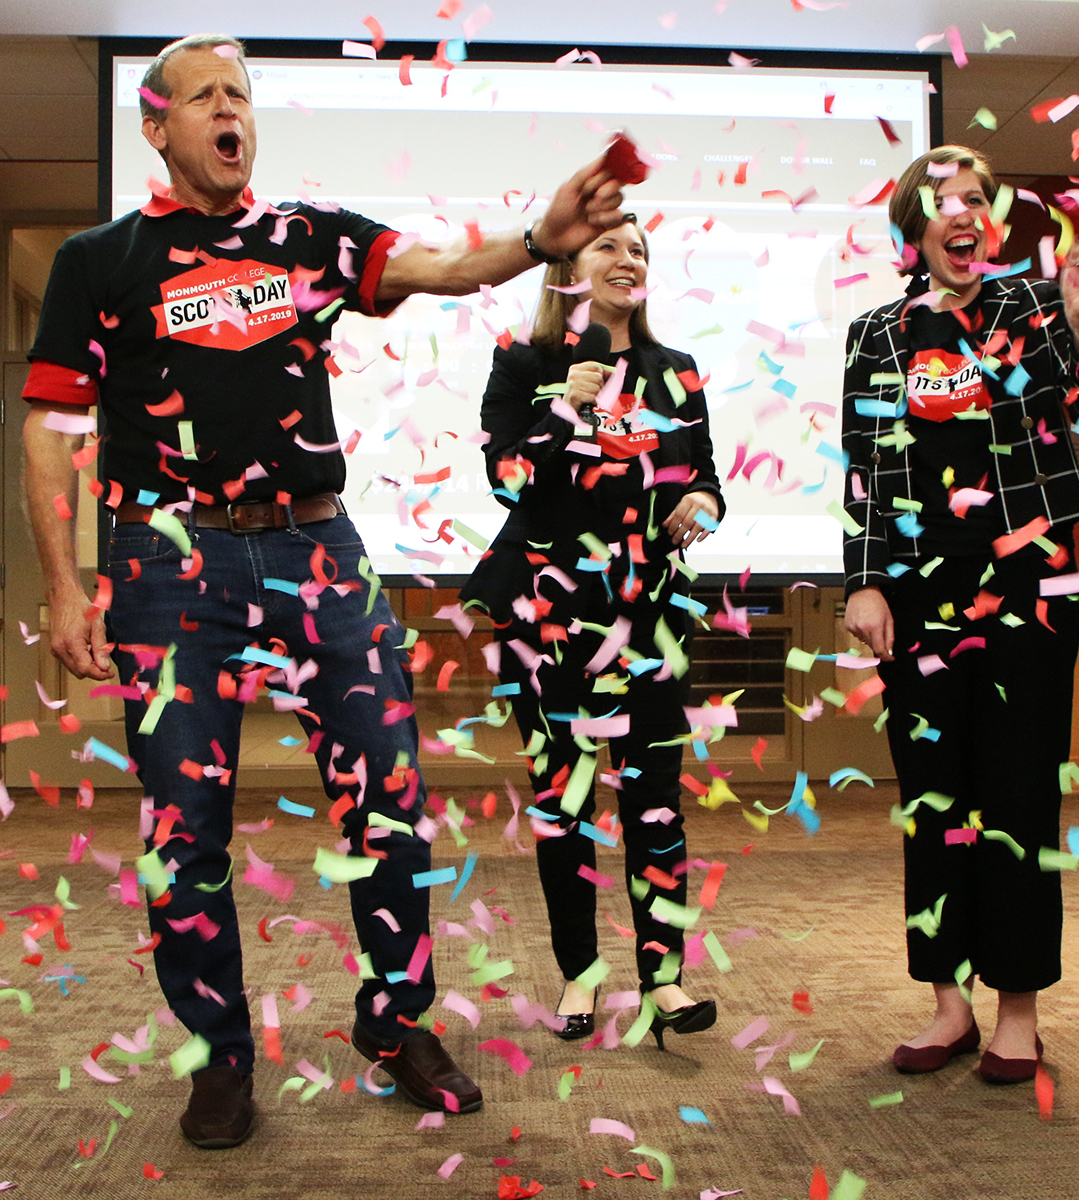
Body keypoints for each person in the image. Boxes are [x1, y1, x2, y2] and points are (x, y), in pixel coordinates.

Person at [21, 33, 630, 1149]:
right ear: (156, 126)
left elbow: (442, 268)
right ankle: (219, 1057)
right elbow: (52, 430)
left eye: (241, 95)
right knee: (185, 832)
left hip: (317, 549)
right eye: (204, 96)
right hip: (166, 563)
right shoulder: (100, 260)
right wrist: (68, 585)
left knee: (387, 800)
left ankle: (396, 1024)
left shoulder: (307, 236)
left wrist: (544, 240)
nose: (229, 111)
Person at [840, 145, 1079, 1085]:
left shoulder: (1034, 306)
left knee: (1016, 796)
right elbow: (865, 467)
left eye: (977, 199)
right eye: (943, 200)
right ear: (914, 228)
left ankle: (1017, 1011)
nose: (963, 213)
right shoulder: (875, 333)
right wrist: (863, 581)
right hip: (916, 591)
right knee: (934, 797)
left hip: (1029, 586)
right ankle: (947, 1003)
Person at [458, 216, 722, 1049]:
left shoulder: (675, 370)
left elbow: (706, 476)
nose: (627, 259)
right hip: (549, 613)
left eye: (638, 249)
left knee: (654, 800)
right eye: (608, 245)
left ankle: (664, 978)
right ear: (568, 266)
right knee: (564, 798)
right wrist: (565, 408)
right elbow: (507, 480)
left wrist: (704, 503)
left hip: (651, 609)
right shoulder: (523, 362)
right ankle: (579, 971)